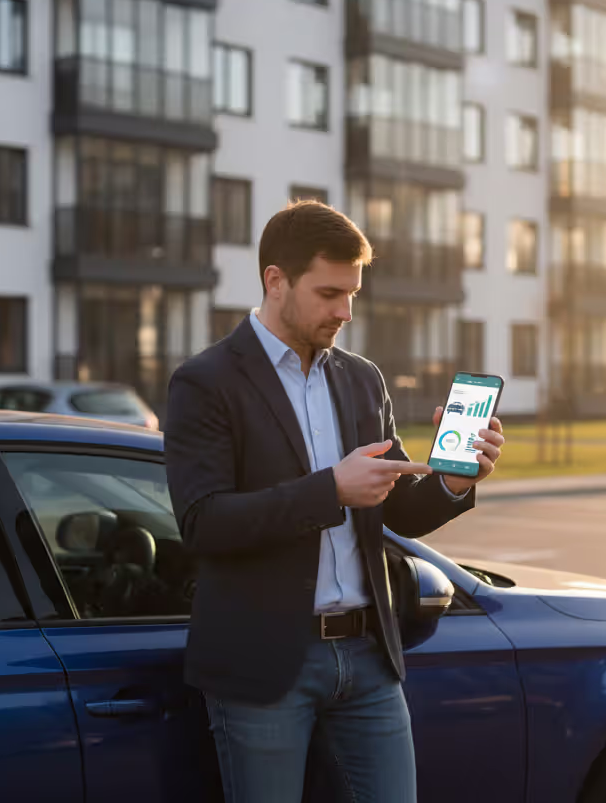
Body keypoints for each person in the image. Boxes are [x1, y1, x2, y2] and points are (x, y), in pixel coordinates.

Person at [164, 201, 505, 802]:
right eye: (329, 294)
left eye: (352, 294)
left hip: (369, 657)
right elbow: (203, 522)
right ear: (276, 281)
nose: (345, 311)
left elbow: (399, 511)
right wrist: (330, 491)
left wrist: (454, 481)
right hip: (263, 664)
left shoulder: (362, 378)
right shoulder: (206, 381)